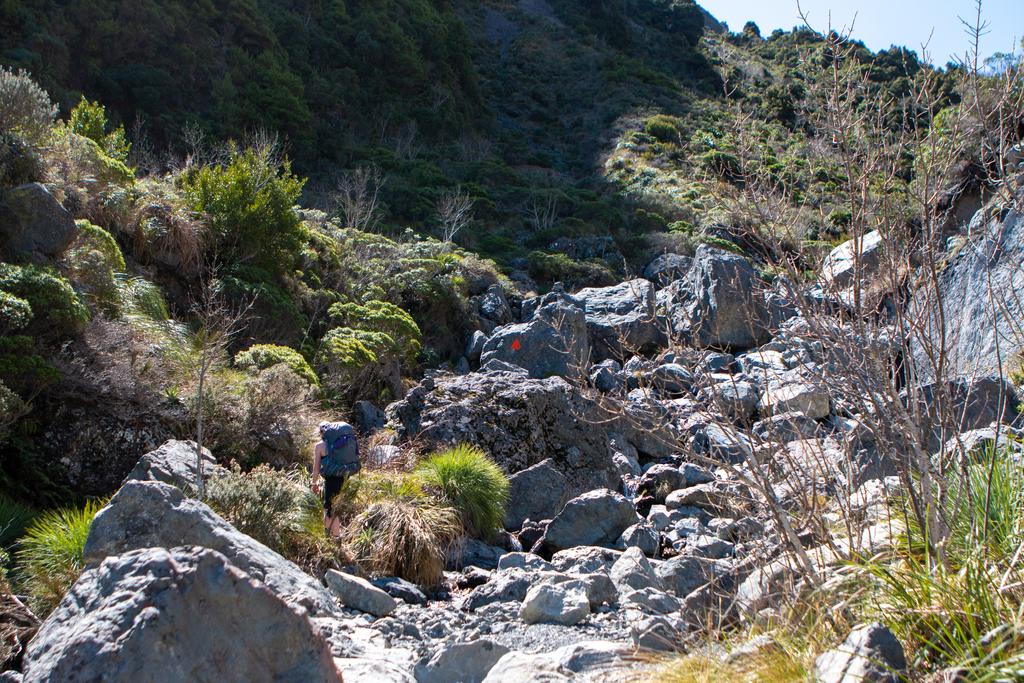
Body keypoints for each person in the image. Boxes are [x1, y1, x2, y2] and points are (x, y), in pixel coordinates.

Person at [311, 421, 360, 536]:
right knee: (336, 509)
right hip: (345, 477)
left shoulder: (320, 446)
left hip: (331, 480)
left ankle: (330, 537)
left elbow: (316, 468)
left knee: (329, 509)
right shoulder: (342, 444)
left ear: (321, 432)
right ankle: (336, 536)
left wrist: (314, 484)